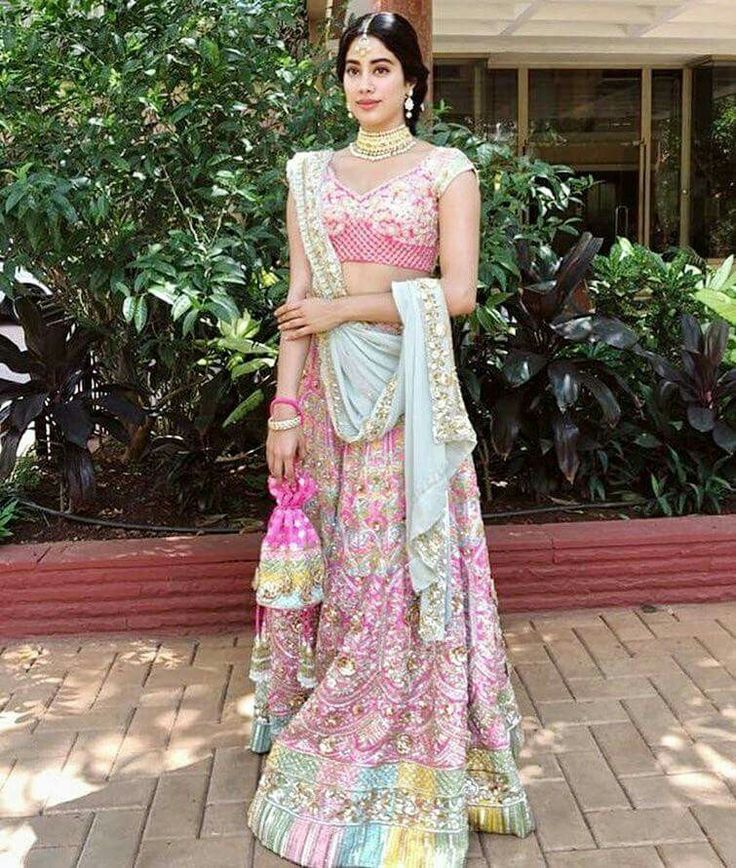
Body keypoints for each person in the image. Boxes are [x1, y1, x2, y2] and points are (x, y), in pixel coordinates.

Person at [246, 10, 534, 867]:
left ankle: (403, 730)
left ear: (413, 80)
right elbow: (301, 297)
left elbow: (457, 294)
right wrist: (284, 409)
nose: (365, 84)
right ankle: (339, 704)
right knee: (343, 559)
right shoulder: (308, 173)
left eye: (381, 68)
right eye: (352, 69)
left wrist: (348, 308)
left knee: (400, 561)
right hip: (332, 398)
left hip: (411, 403)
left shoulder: (448, 170)